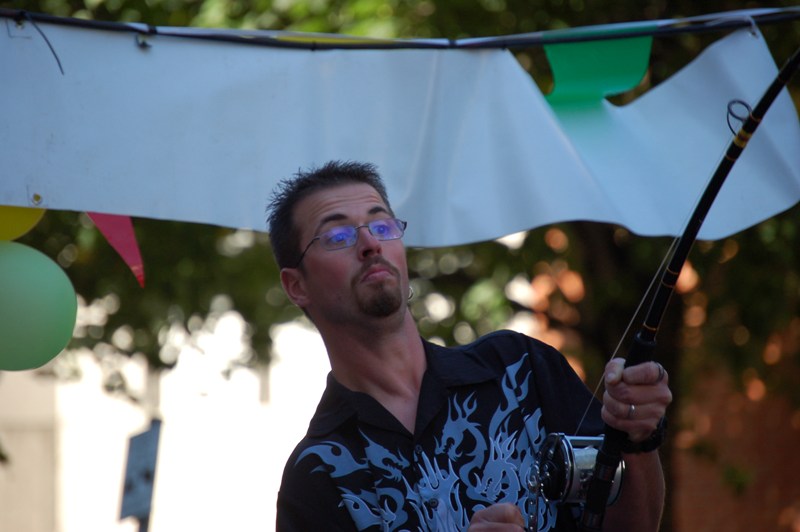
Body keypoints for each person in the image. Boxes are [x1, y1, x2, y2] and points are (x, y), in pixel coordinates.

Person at [268, 160, 672, 531]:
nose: (370, 244)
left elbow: (634, 526)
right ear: (296, 286)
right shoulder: (317, 475)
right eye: (337, 236)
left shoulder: (519, 367)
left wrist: (638, 436)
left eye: (382, 226)